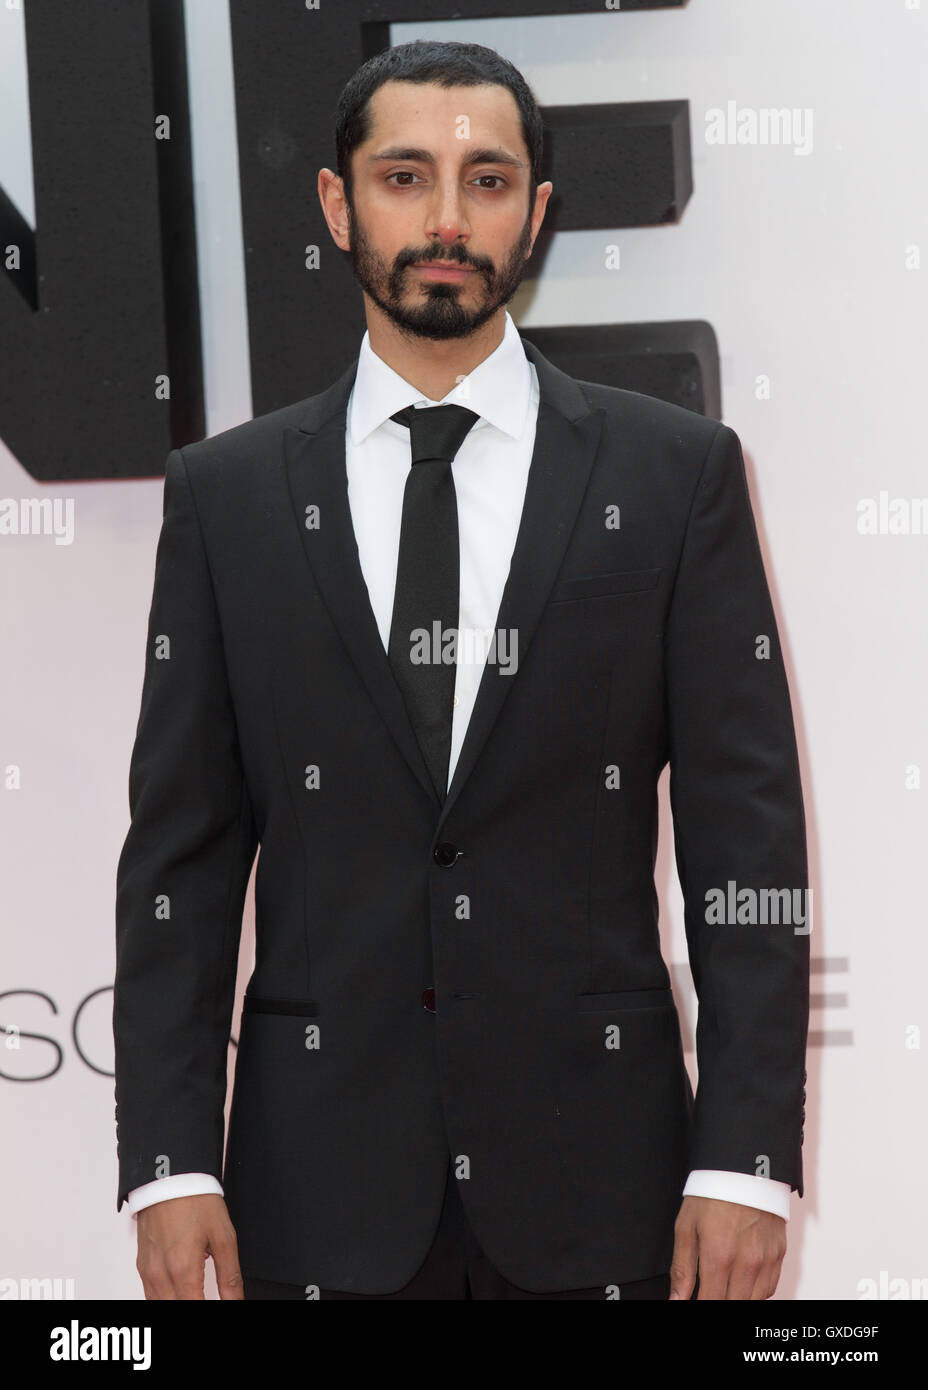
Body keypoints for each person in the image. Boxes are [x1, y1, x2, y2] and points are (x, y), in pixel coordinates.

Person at [114, 39, 809, 1301]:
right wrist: (168, 1165)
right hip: (312, 1192)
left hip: (610, 1187)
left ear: (537, 213)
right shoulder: (227, 499)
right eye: (403, 176)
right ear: (337, 205)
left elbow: (744, 846)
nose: (445, 218)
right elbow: (183, 854)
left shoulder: (674, 477)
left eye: (487, 180)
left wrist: (749, 1163)